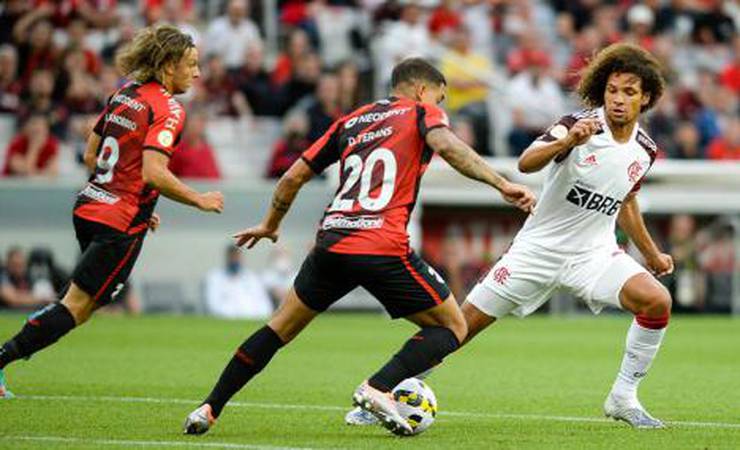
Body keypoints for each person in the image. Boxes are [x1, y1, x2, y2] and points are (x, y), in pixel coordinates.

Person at [183, 57, 536, 436]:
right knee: (452, 327)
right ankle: (378, 387)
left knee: (278, 329)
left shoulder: (351, 121)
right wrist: (501, 184)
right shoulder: (421, 112)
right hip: (381, 244)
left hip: (332, 242)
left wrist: (271, 225)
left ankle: (209, 407)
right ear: (421, 90)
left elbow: (292, 176)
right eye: (440, 96)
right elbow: (448, 147)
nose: (441, 105)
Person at [350, 43, 673, 429]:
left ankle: (623, 398)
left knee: (656, 302)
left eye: (629, 92)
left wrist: (651, 254)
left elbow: (627, 200)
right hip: (535, 253)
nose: (618, 100)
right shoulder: (577, 125)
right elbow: (527, 162)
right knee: (458, 328)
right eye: (612, 90)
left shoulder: (645, 149)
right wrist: (568, 142)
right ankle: (384, 390)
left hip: (594, 256)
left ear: (647, 97)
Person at [0, 24, 224, 399]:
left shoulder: (125, 93)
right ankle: (3, 358)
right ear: (169, 65)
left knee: (82, 306)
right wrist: (198, 199)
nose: (197, 73)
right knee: (75, 307)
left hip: (90, 206)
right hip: (117, 221)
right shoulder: (168, 108)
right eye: (191, 65)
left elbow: (91, 154)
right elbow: (154, 171)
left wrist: (136, 196)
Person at [204, 246, 274, 320]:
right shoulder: (214, 277)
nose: (235, 260)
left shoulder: (252, 278)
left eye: (237, 256)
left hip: (252, 320)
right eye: (232, 256)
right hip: (226, 321)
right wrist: (236, 315)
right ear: (227, 257)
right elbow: (213, 305)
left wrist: (253, 316)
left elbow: (265, 304)